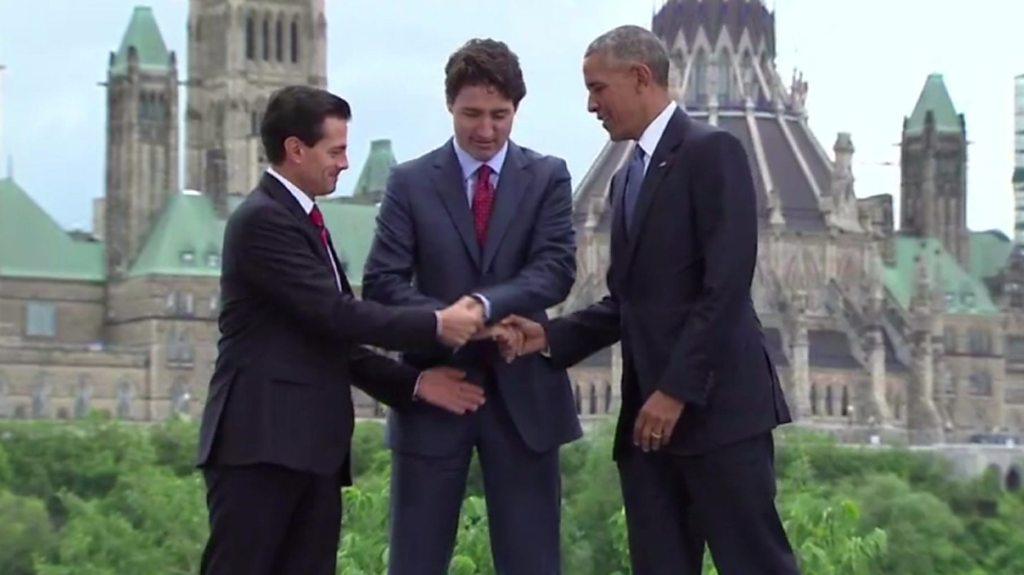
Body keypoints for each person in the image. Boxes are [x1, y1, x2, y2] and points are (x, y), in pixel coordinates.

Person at [499, 26, 800, 575]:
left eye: (598, 88)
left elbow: (726, 287)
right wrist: (550, 335)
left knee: (755, 563)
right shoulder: (624, 179)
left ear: (640, 78)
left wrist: (676, 391)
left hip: (719, 416)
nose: (591, 105)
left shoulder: (714, 152)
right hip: (649, 430)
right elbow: (628, 301)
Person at [196, 85, 487, 575]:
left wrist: (414, 385)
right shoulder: (263, 222)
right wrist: (437, 323)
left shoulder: (304, 221)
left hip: (310, 451)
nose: (345, 164)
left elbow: (335, 342)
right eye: (335, 151)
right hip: (262, 447)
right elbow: (338, 315)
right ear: (295, 150)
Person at [362, 39, 579, 574]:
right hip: (433, 395)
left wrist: (482, 306)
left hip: (524, 398)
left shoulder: (548, 176)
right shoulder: (410, 182)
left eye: (499, 116)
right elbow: (382, 283)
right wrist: (448, 324)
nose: (486, 130)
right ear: (449, 107)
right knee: (415, 561)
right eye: (472, 115)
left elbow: (554, 271)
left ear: (517, 111)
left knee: (533, 563)